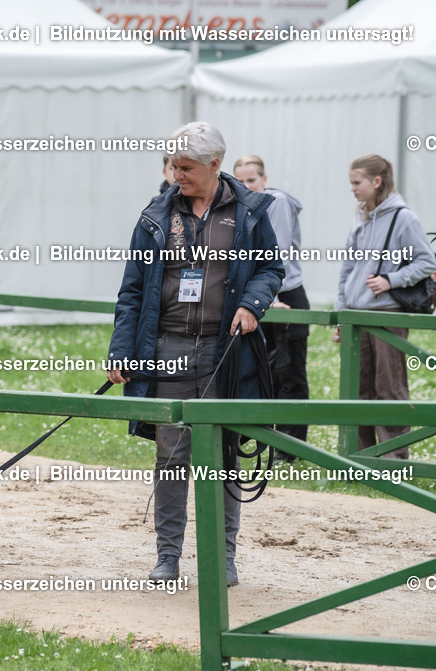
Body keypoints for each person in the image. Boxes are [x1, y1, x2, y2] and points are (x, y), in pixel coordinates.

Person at [107, 122, 284, 586]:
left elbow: (271, 269)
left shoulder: (250, 210)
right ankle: (167, 557)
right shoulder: (155, 215)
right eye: (172, 166)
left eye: (185, 167)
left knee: (224, 457)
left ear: (215, 164)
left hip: (226, 352)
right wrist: (122, 350)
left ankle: (222, 559)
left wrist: (252, 303)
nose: (176, 174)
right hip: (166, 348)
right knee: (171, 457)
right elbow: (130, 292)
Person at [333, 154, 436, 459]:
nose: (352, 189)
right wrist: (342, 312)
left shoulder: (404, 218)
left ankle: (394, 459)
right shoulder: (361, 216)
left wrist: (391, 280)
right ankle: (360, 457)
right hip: (356, 314)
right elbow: (348, 267)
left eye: (357, 183)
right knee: (357, 389)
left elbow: (426, 261)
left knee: (388, 387)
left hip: (387, 314)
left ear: (376, 182)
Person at [232, 155, 310, 463]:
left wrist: (272, 296)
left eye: (252, 180)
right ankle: (265, 440)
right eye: (241, 181)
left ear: (264, 178)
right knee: (263, 371)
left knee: (289, 373)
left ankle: (290, 448)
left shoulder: (274, 202)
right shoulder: (243, 206)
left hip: (285, 294)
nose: (247, 186)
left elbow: (277, 256)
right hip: (263, 296)